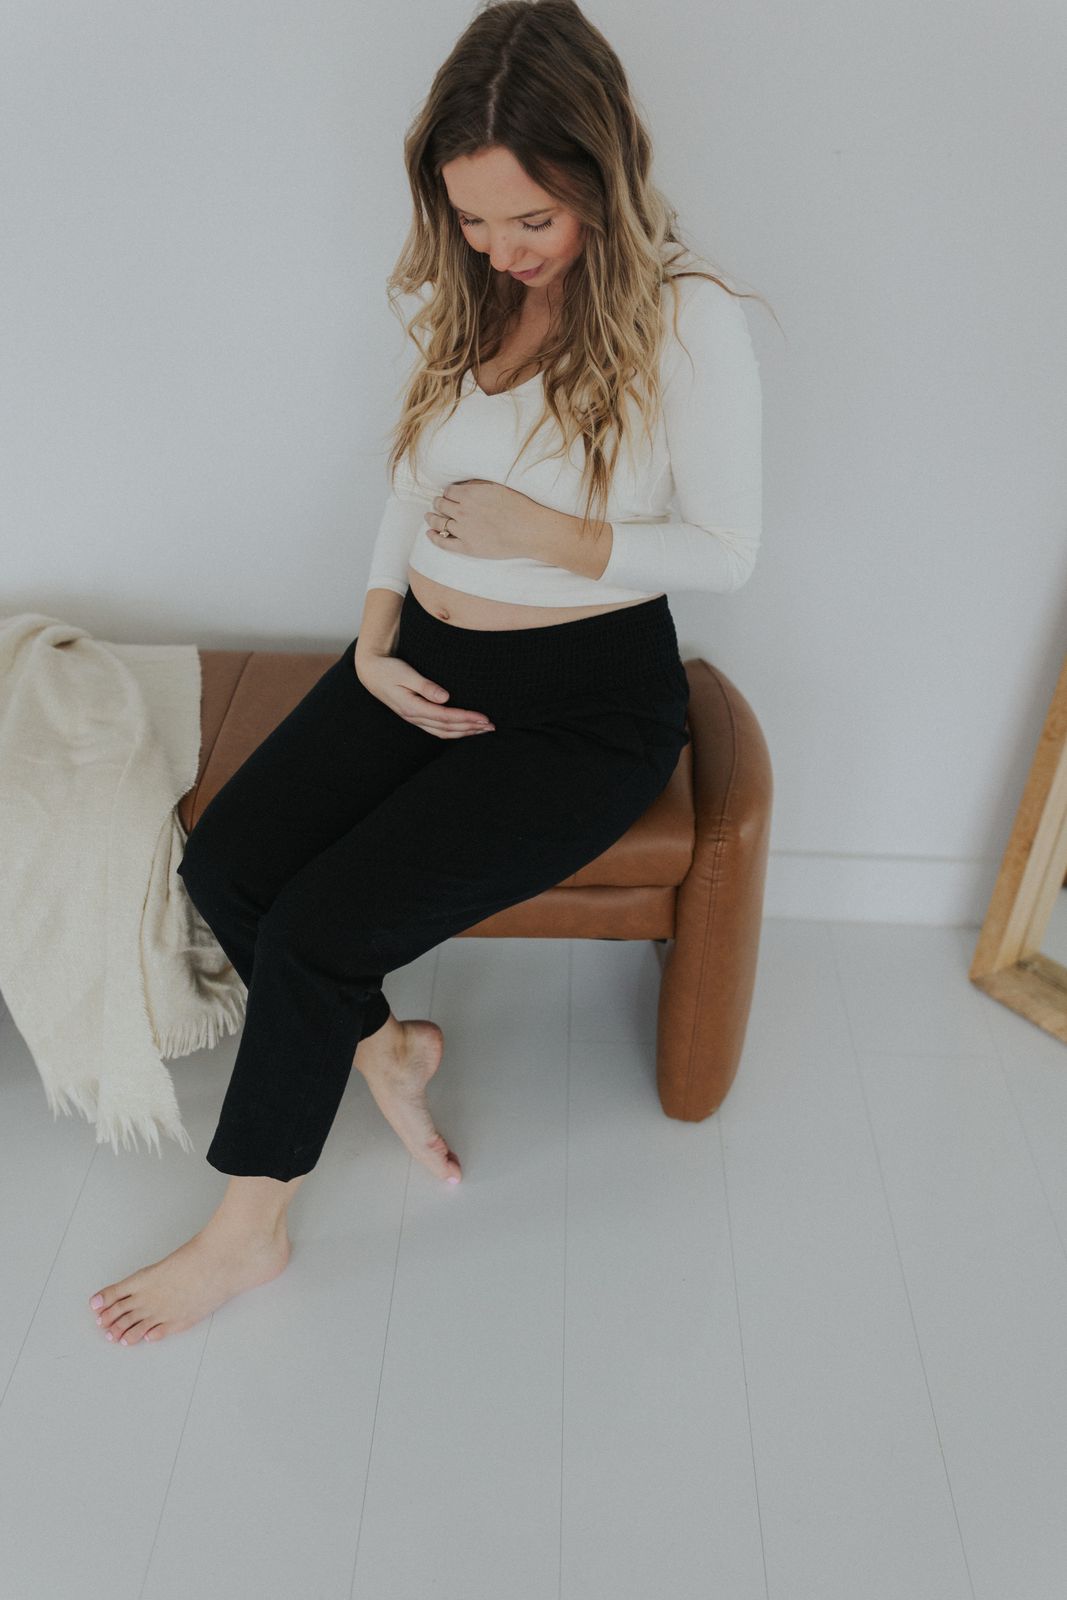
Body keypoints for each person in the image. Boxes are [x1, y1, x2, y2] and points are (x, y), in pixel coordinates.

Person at [88, 0, 763, 1347]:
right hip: (420, 660)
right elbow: (415, 475)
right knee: (229, 867)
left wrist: (547, 535)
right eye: (472, 217)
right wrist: (377, 627)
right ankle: (385, 1051)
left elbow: (728, 552)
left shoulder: (688, 320)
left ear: (601, 173)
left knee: (319, 929)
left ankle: (250, 1227)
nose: (501, 247)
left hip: (583, 704)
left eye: (532, 218)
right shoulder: (473, 291)